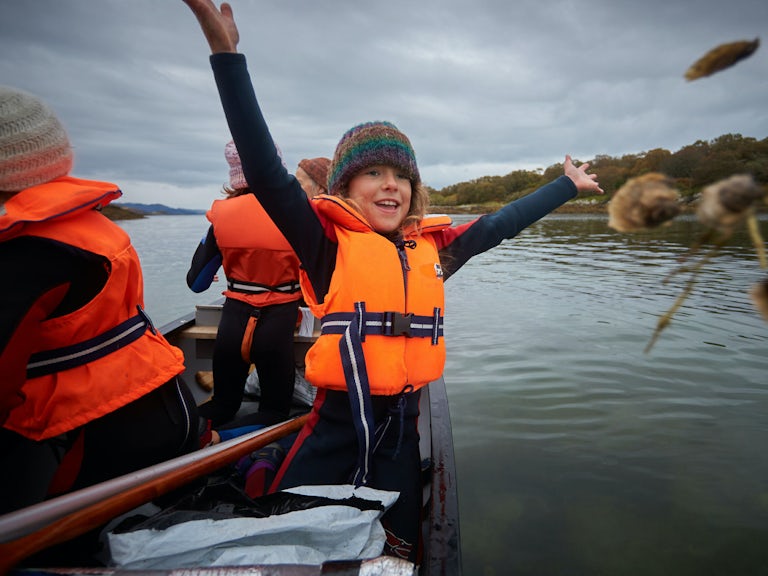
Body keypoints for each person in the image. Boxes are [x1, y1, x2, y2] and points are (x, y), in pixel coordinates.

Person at [180, 0, 604, 563]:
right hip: (333, 427)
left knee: (401, 552)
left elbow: (499, 223)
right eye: (373, 173)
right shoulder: (324, 243)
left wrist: (565, 186)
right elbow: (264, 170)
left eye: (402, 176)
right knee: (289, 541)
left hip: (402, 434)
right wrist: (226, 54)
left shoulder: (434, 248)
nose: (391, 186)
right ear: (345, 187)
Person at [0, 86, 199, 514]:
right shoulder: (93, 229)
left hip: (89, 436)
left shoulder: (24, 254)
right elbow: (198, 285)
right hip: (164, 402)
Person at [187, 141, 329, 433]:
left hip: (232, 325)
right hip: (276, 329)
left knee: (223, 406)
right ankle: (221, 442)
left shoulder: (220, 215)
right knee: (275, 412)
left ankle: (191, 437)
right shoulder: (301, 214)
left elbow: (197, 283)